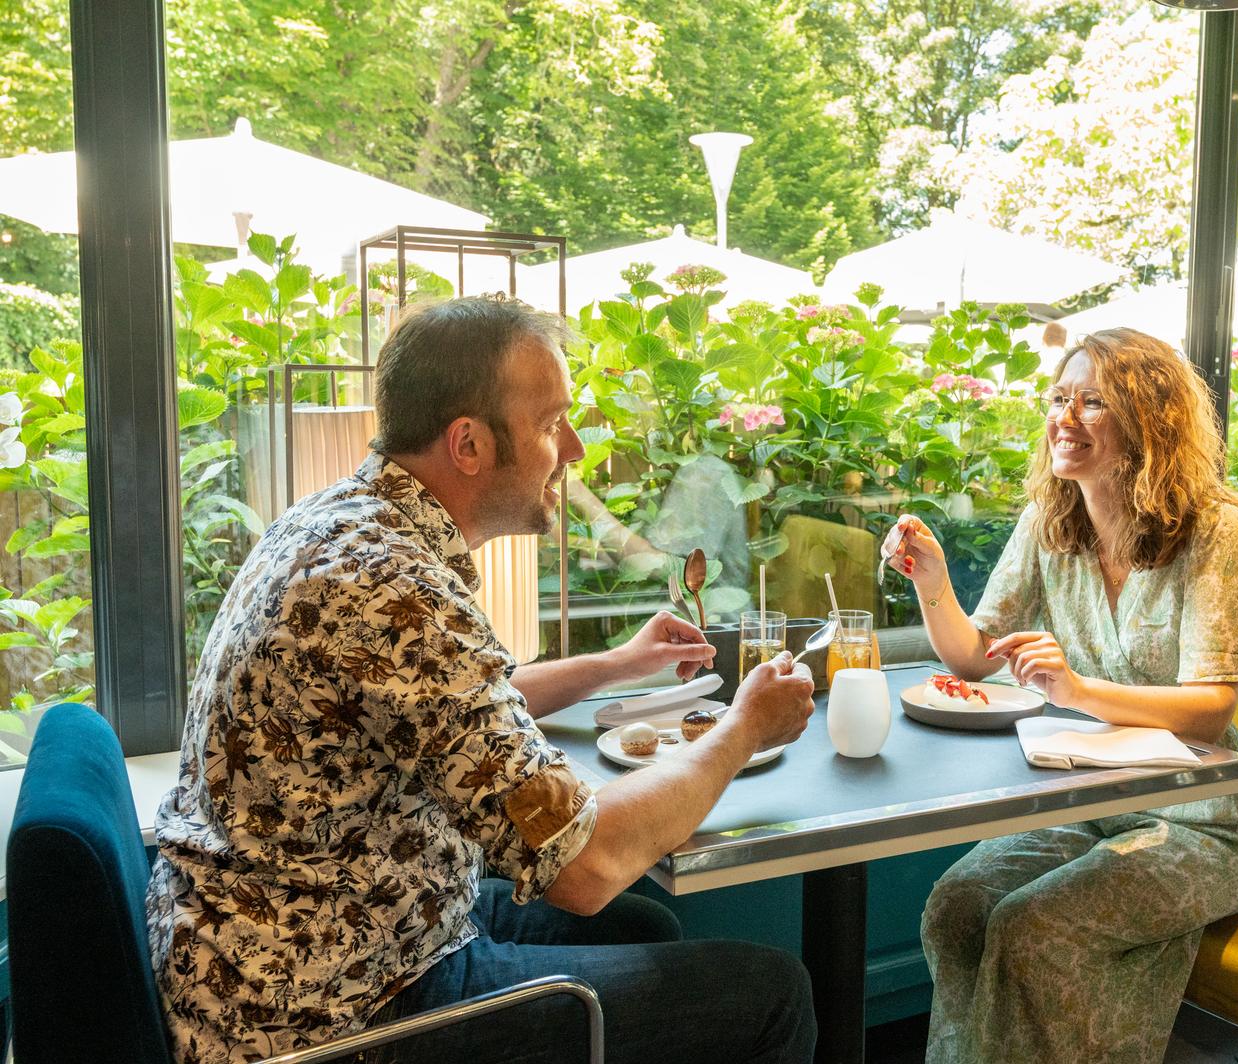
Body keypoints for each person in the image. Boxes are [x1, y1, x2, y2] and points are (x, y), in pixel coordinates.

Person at [146, 296, 817, 1064]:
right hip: (334, 1018)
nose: (572, 450)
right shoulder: (394, 589)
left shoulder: (343, 521)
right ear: (467, 443)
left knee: (645, 926)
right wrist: (744, 730)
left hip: (279, 953)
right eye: (548, 423)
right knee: (772, 992)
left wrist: (618, 664)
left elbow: (446, 713)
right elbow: (586, 866)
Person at [885, 327, 1238, 1062]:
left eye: (1092, 402)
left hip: (1204, 822)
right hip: (1088, 803)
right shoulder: (1048, 523)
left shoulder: (1216, 530)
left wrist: (1076, 689)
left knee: (1036, 928)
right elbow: (973, 656)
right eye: (1059, 398)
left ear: (1148, 422)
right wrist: (933, 584)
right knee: (956, 908)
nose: (1064, 418)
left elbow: (1212, 708)